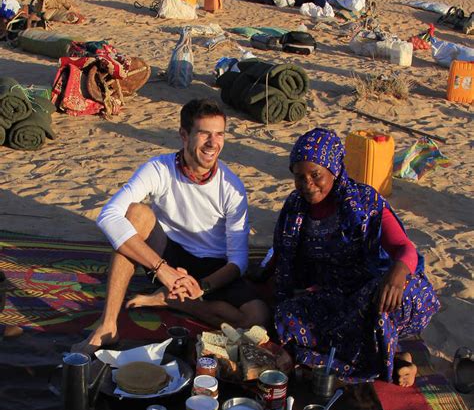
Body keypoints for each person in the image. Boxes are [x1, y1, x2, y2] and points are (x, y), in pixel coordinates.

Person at [73, 98, 269, 354]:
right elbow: (108, 215)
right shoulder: (159, 168)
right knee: (135, 214)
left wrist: (203, 287)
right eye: (204, 134)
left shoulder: (232, 188)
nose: (213, 143)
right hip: (166, 252)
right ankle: (108, 325)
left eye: (219, 134)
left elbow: (238, 261)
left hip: (212, 266)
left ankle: (172, 299)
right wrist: (162, 269)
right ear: (184, 136)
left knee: (258, 317)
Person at [272, 127, 440, 386]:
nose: (307, 184)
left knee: (403, 293)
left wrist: (396, 274)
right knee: (287, 317)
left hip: (369, 290)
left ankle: (378, 356)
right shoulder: (295, 208)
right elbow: (285, 261)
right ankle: (391, 359)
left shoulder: (365, 202)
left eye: (315, 175)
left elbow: (404, 248)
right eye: (299, 177)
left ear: (334, 169)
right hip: (332, 296)